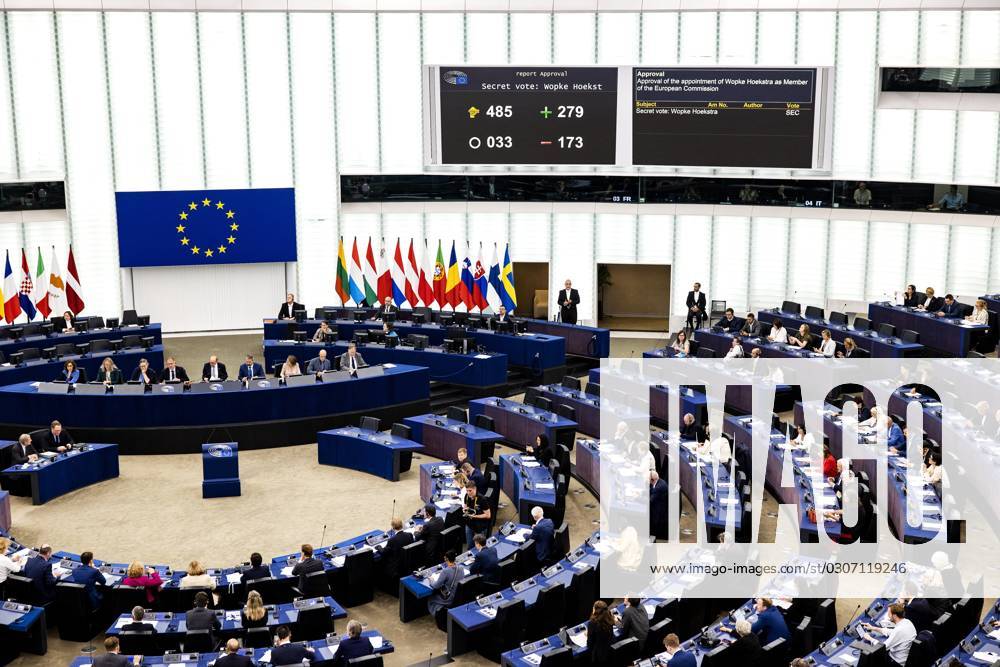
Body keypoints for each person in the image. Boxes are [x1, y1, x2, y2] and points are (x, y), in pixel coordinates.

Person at [426, 550, 461, 616]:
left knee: (431, 598)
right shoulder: (461, 568)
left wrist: (431, 580)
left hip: (448, 598)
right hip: (457, 595)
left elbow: (435, 586)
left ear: (446, 559)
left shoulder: (445, 571)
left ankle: (437, 615)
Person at [463, 483, 492, 549]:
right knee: (470, 546)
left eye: (470, 491)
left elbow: (488, 515)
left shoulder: (482, 499)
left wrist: (475, 516)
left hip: (480, 526)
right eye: (467, 491)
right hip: (469, 524)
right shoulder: (466, 496)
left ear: (475, 489)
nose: (468, 493)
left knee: (480, 547)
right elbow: (465, 506)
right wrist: (465, 509)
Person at [649, 470, 668, 539]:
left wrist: (637, 497)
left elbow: (650, 501)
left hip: (659, 511)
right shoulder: (658, 481)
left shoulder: (659, 488)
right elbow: (651, 490)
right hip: (659, 504)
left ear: (652, 480)